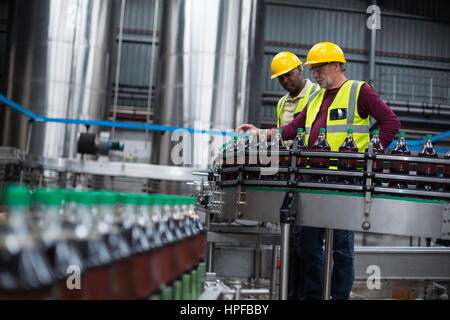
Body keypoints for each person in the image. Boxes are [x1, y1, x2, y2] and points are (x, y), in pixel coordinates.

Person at [237, 42, 401, 300]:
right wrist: (261, 133)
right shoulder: (315, 98)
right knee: (308, 246)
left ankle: (338, 296)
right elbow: (292, 129)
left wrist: (372, 150)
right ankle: (312, 296)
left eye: (320, 69)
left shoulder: (359, 91)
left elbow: (391, 122)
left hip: (343, 183)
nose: (315, 74)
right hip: (312, 181)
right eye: (313, 70)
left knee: (341, 248)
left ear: (336, 65)